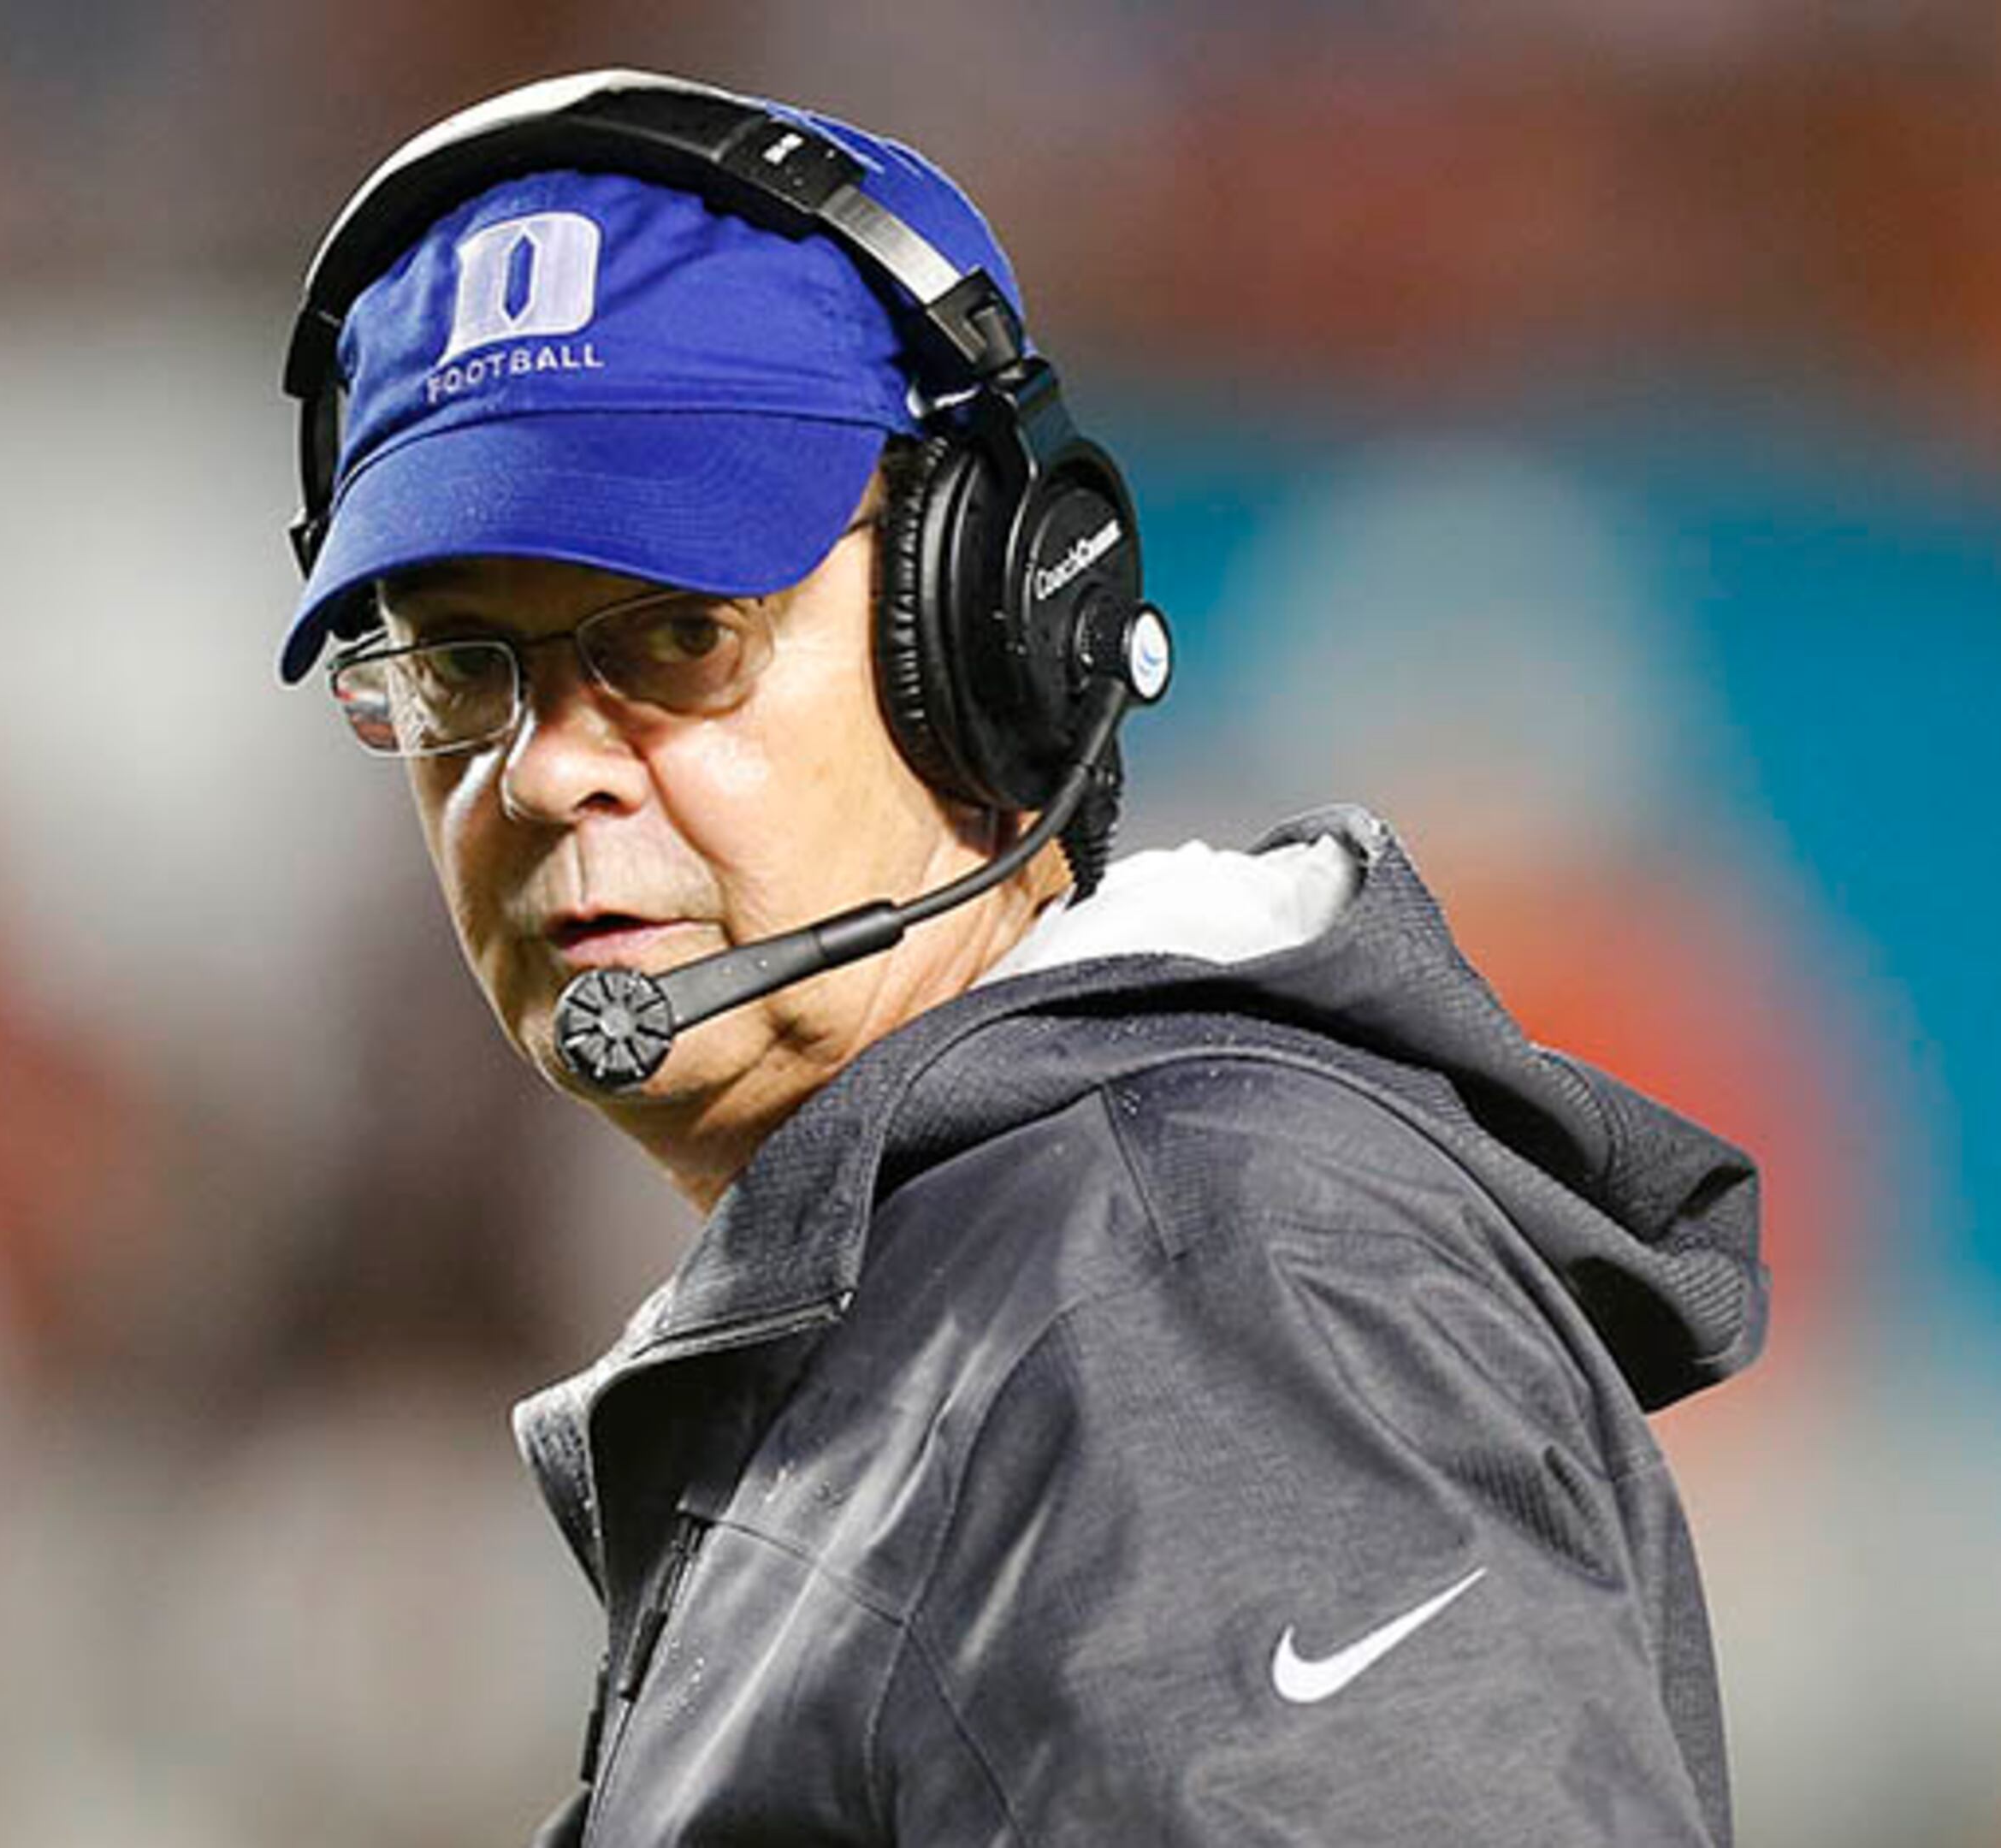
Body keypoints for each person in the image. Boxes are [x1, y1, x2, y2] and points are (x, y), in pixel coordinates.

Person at [270, 71, 1766, 1846]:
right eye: (457, 670)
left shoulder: (1201, 1295)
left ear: (993, 623)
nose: (542, 765)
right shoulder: (1001, 1288)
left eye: (677, 633)